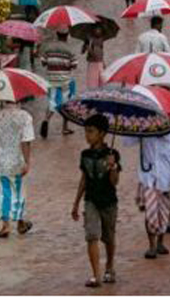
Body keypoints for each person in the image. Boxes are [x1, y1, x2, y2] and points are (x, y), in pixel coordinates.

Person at [71, 114, 121, 288]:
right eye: (86, 131)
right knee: (91, 235)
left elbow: (115, 182)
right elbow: (84, 178)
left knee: (108, 237)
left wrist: (113, 166)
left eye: (91, 131)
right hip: (90, 200)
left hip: (108, 201)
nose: (87, 135)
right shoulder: (85, 154)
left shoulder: (113, 154)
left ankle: (110, 266)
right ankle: (96, 274)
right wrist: (76, 203)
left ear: (102, 133)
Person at [0, 99, 35, 238]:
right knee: (18, 191)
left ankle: (6, 225)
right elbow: (26, 141)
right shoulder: (25, 116)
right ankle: (20, 222)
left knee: (3, 191)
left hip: (0, 161)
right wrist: (27, 161)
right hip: (17, 161)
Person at [136, 127, 170, 259]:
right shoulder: (145, 129)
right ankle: (151, 245)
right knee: (150, 211)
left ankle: (160, 242)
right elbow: (129, 141)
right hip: (148, 178)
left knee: (163, 212)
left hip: (166, 179)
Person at [40, 31, 79, 138]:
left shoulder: (49, 48)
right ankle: (64, 128)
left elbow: (43, 62)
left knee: (52, 102)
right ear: (67, 36)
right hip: (65, 81)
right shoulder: (69, 50)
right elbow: (74, 65)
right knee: (66, 104)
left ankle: (46, 120)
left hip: (51, 80)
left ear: (57, 35)